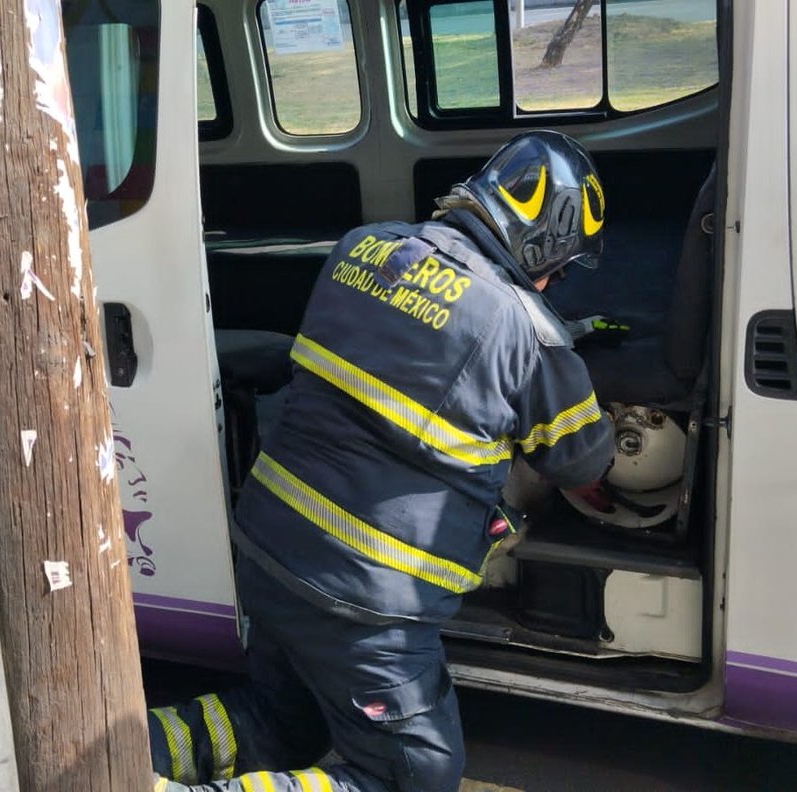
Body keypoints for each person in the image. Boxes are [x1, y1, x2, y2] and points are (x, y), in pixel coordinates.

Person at [151, 130, 616, 792]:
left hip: (266, 550)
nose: (553, 283)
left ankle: (125, 757)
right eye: (561, 268)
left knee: (282, 722)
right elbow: (581, 460)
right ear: (543, 245)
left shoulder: (362, 247)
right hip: (361, 599)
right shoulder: (525, 331)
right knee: (410, 776)